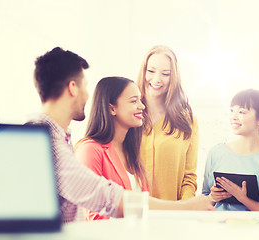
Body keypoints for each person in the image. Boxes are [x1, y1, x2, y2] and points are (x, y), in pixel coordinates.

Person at [28, 47, 213, 223]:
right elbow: (103, 197)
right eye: (85, 86)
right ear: (73, 88)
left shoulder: (56, 138)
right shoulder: (41, 142)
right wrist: (185, 207)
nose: (87, 95)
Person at [75, 76, 214, 220]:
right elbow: (94, 215)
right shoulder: (89, 150)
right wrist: (185, 207)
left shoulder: (131, 151)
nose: (141, 106)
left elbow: (143, 214)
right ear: (112, 108)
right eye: (134, 101)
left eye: (140, 100)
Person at [202, 89, 259, 211]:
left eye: (241, 112)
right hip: (219, 227)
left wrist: (242, 198)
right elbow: (205, 197)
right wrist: (212, 198)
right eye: (232, 110)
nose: (233, 117)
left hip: (258, 228)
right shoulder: (216, 152)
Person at [137, 45, 198, 200]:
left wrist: (183, 208)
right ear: (143, 71)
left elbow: (189, 178)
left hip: (172, 214)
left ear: (174, 77)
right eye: (151, 71)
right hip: (132, 213)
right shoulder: (127, 113)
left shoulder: (188, 120)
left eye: (165, 74)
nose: (157, 79)